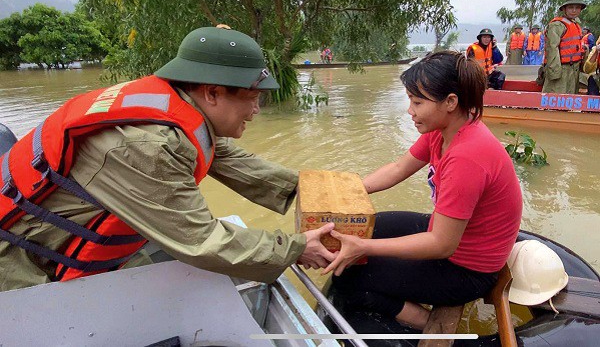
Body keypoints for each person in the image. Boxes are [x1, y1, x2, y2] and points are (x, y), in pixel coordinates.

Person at [0, 25, 337, 292]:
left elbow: (229, 158)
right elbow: (201, 241)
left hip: (74, 239)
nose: (255, 111)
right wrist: (293, 248)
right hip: (22, 261)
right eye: (251, 98)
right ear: (213, 92)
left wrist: (311, 190)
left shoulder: (177, 110)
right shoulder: (144, 145)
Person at [323, 51, 523, 329]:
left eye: (417, 102)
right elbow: (397, 168)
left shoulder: (468, 156)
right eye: (409, 100)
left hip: (468, 269)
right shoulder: (442, 130)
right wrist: (347, 191)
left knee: (350, 276)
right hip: (458, 241)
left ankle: (423, 319)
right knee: (373, 226)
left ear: (450, 102)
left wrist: (364, 248)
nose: (410, 110)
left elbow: (442, 244)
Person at [542, 0, 587, 94]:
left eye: (577, 8)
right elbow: (552, 49)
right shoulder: (557, 25)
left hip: (573, 68)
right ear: (564, 9)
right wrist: (554, 73)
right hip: (560, 69)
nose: (574, 10)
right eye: (571, 7)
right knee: (556, 97)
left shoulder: (575, 24)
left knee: (570, 98)